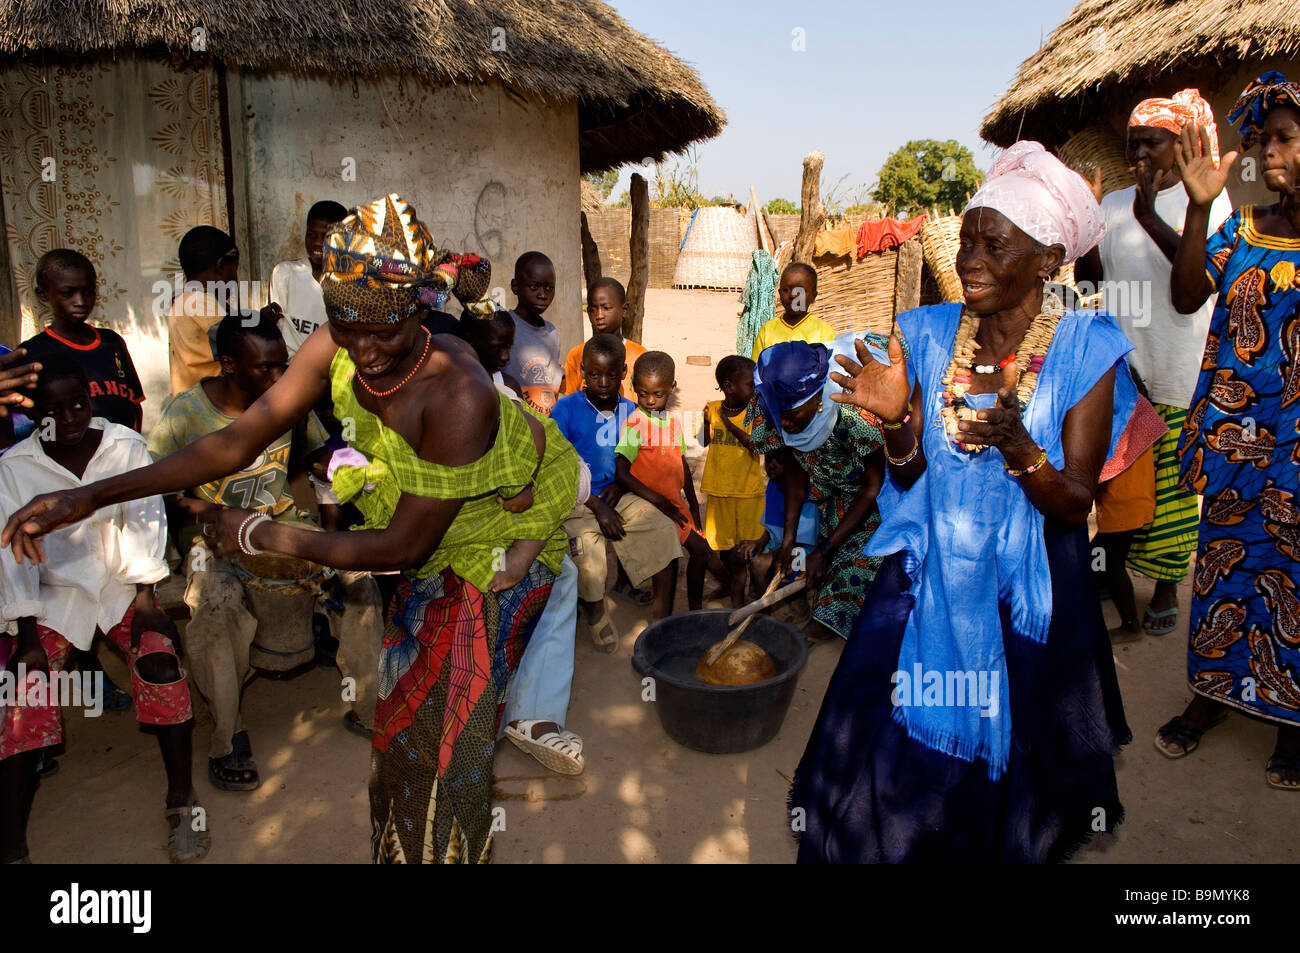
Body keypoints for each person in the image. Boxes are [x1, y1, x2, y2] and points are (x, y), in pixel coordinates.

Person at [3, 194, 577, 864]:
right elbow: (234, 441)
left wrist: (259, 533)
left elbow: (402, 546)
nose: (362, 349)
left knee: (448, 758)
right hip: (428, 550)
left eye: (384, 333)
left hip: (498, 547)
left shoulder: (456, 390)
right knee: (400, 742)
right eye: (346, 326)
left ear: (418, 313)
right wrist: (87, 496)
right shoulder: (345, 332)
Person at [791, 141, 1133, 861]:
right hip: (930, 570)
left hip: (1028, 589)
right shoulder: (927, 333)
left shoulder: (1085, 348)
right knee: (888, 736)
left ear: (1046, 259)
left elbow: (1072, 505)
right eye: (967, 240)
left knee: (1016, 757)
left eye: (994, 243)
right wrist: (894, 423)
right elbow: (910, 477)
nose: (970, 258)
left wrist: (1016, 443)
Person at [149, 310, 383, 787]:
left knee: (359, 582)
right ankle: (228, 736)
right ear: (229, 365)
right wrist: (202, 511)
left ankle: (368, 707)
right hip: (213, 541)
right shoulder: (186, 414)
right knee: (215, 610)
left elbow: (316, 452)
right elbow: (159, 486)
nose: (280, 377)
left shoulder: (286, 402)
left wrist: (343, 464)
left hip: (281, 525)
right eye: (266, 368)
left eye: (283, 365)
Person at [0, 360, 207, 864]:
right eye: (53, 410)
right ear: (35, 417)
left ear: (91, 401)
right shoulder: (14, 467)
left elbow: (145, 523)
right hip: (52, 596)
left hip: (121, 585)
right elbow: (12, 553)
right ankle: (11, 842)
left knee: (161, 664)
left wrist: (146, 601)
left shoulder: (124, 447)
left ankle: (182, 802)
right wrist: (27, 635)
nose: (69, 418)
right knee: (22, 693)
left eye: (79, 405)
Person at [1156, 72, 1300, 790]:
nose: (1267, 151)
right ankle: (1211, 695)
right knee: (1220, 572)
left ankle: (1291, 719)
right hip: (1234, 447)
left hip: (1297, 455)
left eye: (1283, 139)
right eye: (1262, 139)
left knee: (1294, 582)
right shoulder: (1245, 230)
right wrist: (1199, 207)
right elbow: (1185, 296)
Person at [1076, 88, 1234, 637]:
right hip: (1125, 366)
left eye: (1151, 143)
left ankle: (1166, 586)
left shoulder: (1208, 203)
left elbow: (1199, 278)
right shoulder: (1113, 204)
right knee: (1121, 476)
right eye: (1132, 144)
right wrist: (1085, 232)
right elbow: (1092, 282)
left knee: (1169, 486)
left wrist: (1148, 214)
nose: (1138, 154)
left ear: (1179, 145)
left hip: (1177, 365)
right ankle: (1109, 567)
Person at [460, 312, 585, 775]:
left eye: (506, 345)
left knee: (560, 569)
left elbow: (569, 476)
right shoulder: (462, 396)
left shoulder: (506, 393)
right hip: (453, 534)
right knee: (536, 571)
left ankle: (530, 715)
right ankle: (492, 714)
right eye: (493, 346)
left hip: (499, 526)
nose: (503, 354)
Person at [747, 338, 886, 641]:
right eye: (777, 415)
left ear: (817, 397)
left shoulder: (853, 414)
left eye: (792, 415)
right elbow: (797, 472)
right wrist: (787, 541)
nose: (784, 423)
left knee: (851, 574)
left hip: (876, 506)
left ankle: (814, 642)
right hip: (832, 502)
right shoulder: (778, 406)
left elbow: (874, 487)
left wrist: (825, 549)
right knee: (820, 575)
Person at [553, 335, 683, 631]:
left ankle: (662, 619)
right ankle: (595, 610)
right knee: (586, 547)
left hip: (620, 494)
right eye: (594, 373)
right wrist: (596, 505)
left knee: (664, 529)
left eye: (611, 374)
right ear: (582, 371)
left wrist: (621, 487)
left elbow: (639, 462)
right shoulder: (566, 409)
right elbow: (558, 465)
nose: (602, 381)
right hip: (579, 498)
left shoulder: (633, 411)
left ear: (624, 373)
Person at [615, 351, 726, 612]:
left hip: (675, 504)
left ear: (671, 388)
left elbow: (682, 464)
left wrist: (694, 506)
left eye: (658, 394)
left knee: (700, 552)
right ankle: (670, 614)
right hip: (652, 506)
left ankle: (694, 609)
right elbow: (621, 472)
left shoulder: (672, 421)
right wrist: (658, 501)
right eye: (643, 394)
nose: (650, 400)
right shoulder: (634, 425)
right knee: (674, 559)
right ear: (634, 389)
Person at [21, 249, 145, 431]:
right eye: (68, 293)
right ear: (43, 294)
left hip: (124, 453)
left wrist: (135, 445)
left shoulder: (112, 342)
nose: (80, 301)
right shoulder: (32, 354)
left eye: (88, 291)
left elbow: (133, 404)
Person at [698, 355, 764, 606]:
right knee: (724, 547)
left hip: (748, 493)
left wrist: (727, 423)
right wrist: (706, 422)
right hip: (719, 491)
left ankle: (753, 594)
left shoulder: (755, 413)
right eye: (751, 384)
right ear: (728, 387)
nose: (755, 388)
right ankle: (735, 588)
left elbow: (754, 446)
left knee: (751, 548)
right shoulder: (713, 408)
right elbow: (703, 441)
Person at [269, 200, 349, 360]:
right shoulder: (285, 273)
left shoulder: (352, 282)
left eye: (326, 237)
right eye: (311, 235)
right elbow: (277, 326)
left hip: (331, 370)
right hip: (290, 368)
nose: (317, 243)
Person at [559, 277, 646, 401]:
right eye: (593, 310)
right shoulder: (577, 354)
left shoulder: (639, 356)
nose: (599, 315)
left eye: (606, 308)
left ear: (624, 310)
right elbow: (570, 402)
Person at [503, 251, 563, 415]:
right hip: (515, 420)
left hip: (545, 423)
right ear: (515, 286)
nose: (543, 295)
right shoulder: (505, 326)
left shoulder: (552, 333)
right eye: (534, 286)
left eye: (549, 288)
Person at [749, 262, 835, 363]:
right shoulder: (767, 330)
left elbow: (831, 368)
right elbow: (756, 369)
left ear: (813, 296)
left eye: (800, 291)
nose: (793, 296)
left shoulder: (823, 331)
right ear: (780, 294)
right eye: (786, 290)